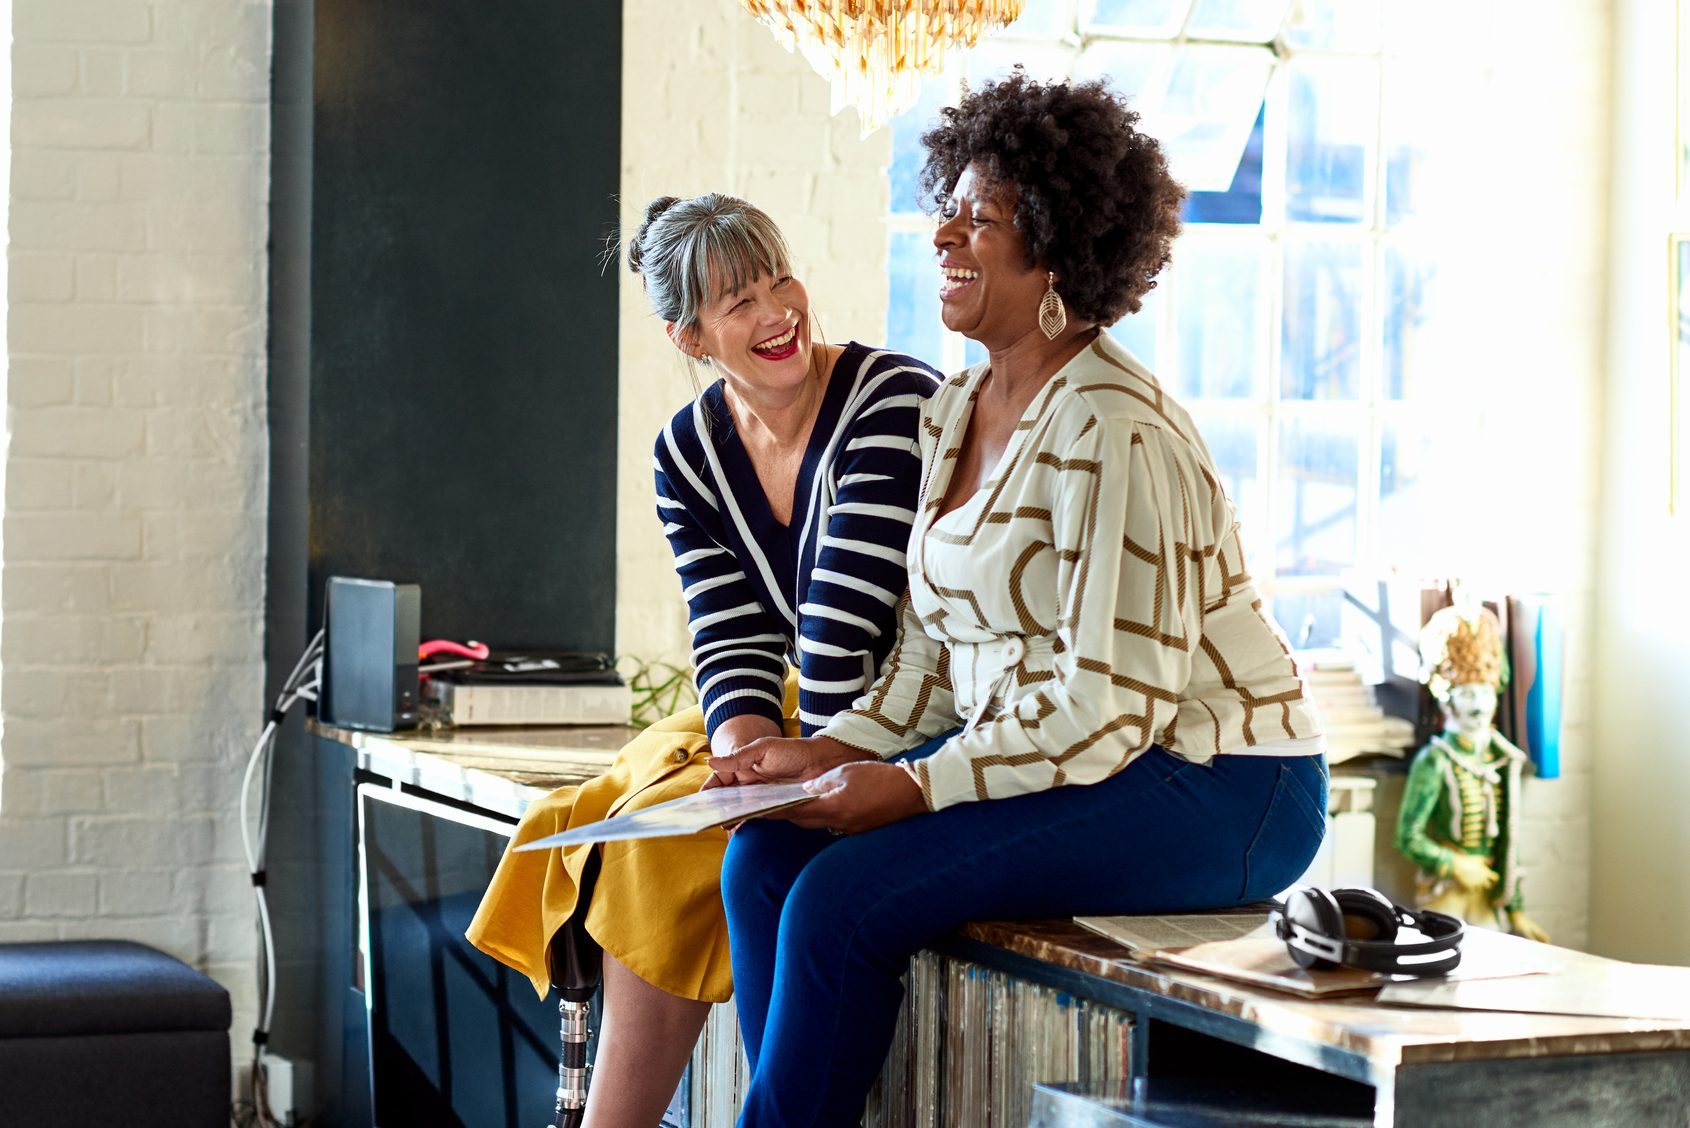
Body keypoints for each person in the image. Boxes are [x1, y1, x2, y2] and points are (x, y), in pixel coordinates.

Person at [707, 71, 1328, 1126]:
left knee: (842, 901)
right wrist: (836, 748)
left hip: (1215, 781)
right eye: (945, 205)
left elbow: (1106, 709)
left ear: (1053, 248)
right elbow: (932, 660)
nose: (941, 234)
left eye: (978, 217)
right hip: (1094, 753)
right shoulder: (955, 409)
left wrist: (908, 791)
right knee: (765, 853)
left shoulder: (1114, 430)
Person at [466, 192, 940, 1128]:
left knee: (681, 847)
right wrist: (742, 752)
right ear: (691, 338)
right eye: (740, 302)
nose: (778, 313)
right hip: (810, 712)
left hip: (909, 711)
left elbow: (846, 628)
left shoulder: (893, 400)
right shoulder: (686, 450)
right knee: (640, 821)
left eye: (779, 279)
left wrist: (790, 772)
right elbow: (726, 631)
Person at [1395, 591, 1548, 942]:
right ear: (1448, 698)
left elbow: (1509, 843)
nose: (1478, 705)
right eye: (1467, 694)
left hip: (1488, 893)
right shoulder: (1434, 761)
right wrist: (1456, 865)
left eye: (1484, 693)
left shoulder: (1503, 760)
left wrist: (1516, 910)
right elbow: (1408, 836)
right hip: (1446, 891)